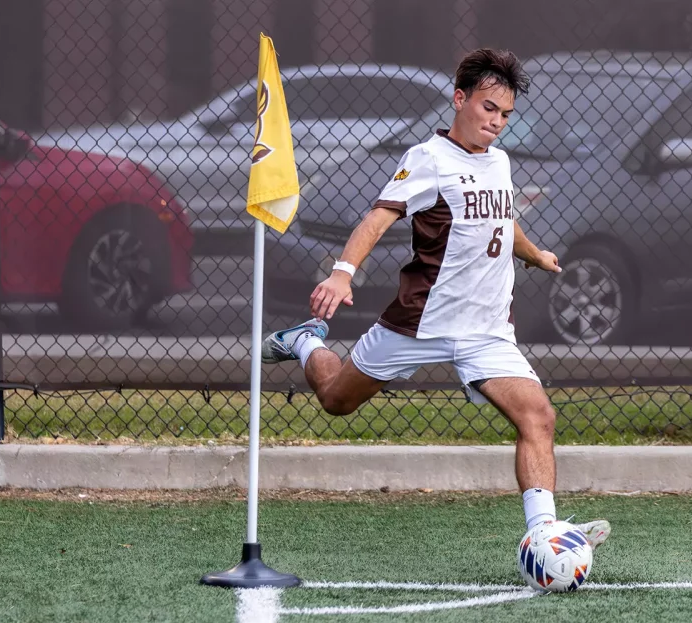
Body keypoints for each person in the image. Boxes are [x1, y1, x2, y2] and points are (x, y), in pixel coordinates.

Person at [260, 48, 610, 549]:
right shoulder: (428, 159)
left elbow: (503, 222)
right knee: (336, 400)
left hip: (486, 330)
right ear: (460, 99)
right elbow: (378, 218)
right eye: (489, 108)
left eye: (507, 114)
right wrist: (341, 274)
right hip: (418, 322)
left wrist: (534, 254)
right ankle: (306, 342)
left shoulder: (501, 163)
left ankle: (544, 535)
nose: (497, 122)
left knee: (538, 416)